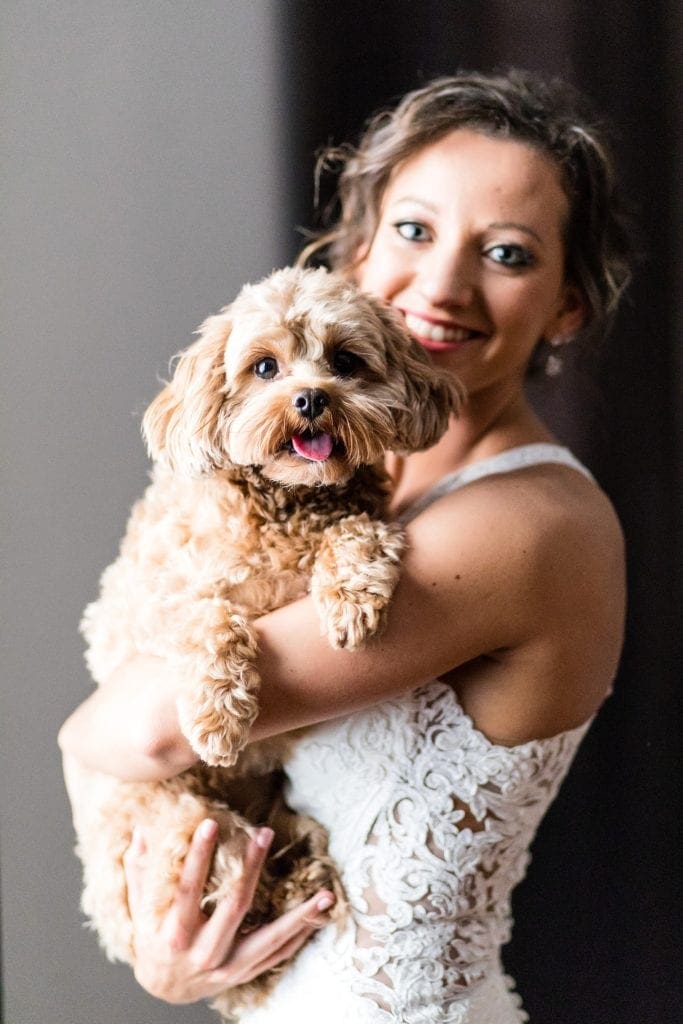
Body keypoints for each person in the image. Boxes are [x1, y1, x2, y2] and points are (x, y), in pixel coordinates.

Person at [59, 69, 632, 1022]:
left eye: (505, 252)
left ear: (566, 304)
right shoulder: (334, 483)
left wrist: (85, 734)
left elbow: (139, 731)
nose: (441, 284)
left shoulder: (527, 526)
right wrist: (162, 946)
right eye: (413, 230)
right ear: (357, 250)